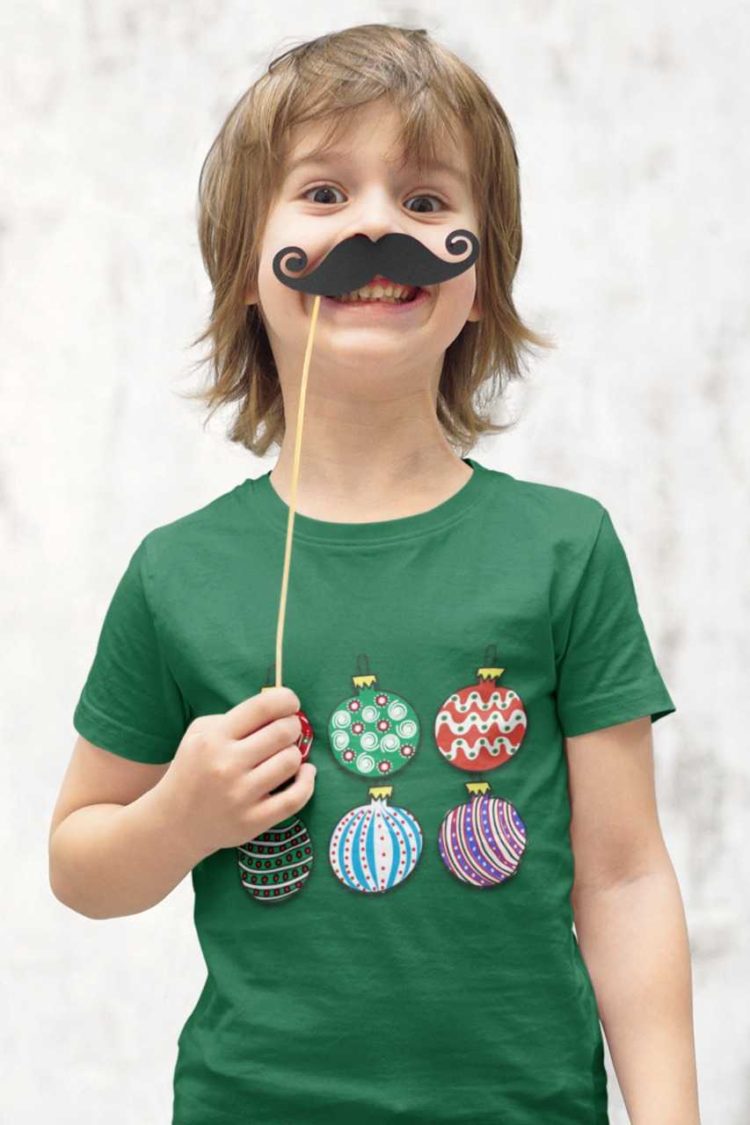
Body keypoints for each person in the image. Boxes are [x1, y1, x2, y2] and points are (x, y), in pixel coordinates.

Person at [48, 23, 701, 1125]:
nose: (376, 228)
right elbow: (81, 862)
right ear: (247, 273)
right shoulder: (179, 574)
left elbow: (627, 877)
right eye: (323, 193)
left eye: (429, 203)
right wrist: (183, 815)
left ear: (478, 283)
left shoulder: (563, 550)